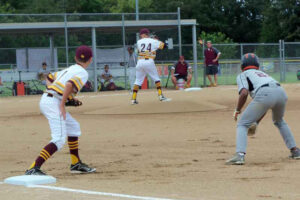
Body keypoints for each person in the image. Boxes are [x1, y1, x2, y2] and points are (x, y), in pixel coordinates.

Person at [25, 45, 96, 175]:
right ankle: (33, 168)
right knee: (59, 139)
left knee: (74, 127)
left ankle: (75, 163)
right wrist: (63, 103)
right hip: (54, 103)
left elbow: (49, 78)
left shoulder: (70, 69)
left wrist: (60, 95)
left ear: (75, 58)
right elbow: (69, 85)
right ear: (91, 59)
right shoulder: (83, 72)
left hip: (49, 100)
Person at [226, 53, 300, 165]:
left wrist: (238, 110)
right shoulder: (263, 74)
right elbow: (265, 105)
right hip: (281, 92)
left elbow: (244, 93)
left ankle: (239, 155)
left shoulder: (243, 74)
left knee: (242, 124)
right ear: (257, 65)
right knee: (279, 121)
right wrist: (256, 122)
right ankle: (295, 151)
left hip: (265, 93)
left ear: (242, 66)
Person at [131, 28, 170, 105]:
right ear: (147, 34)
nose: (141, 35)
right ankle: (160, 96)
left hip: (140, 62)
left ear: (142, 35)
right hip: (149, 61)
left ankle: (133, 99)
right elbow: (164, 46)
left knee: (138, 81)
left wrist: (154, 41)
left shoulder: (138, 42)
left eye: (141, 34)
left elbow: (143, 49)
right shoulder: (153, 41)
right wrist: (159, 41)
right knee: (156, 79)